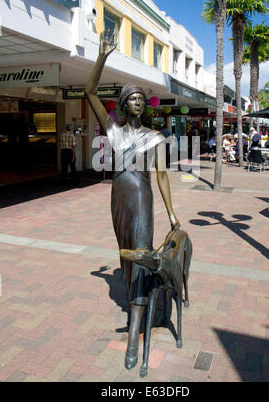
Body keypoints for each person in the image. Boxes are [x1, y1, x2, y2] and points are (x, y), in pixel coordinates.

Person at [84, 32, 180, 371]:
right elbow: (89, 92)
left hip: (142, 198)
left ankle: (133, 336)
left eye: (142, 98)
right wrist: (100, 57)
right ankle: (140, 303)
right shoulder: (113, 131)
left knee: (140, 257)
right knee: (126, 262)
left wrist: (171, 214)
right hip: (118, 200)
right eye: (132, 98)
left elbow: (162, 176)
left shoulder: (154, 138)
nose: (138, 102)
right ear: (124, 104)